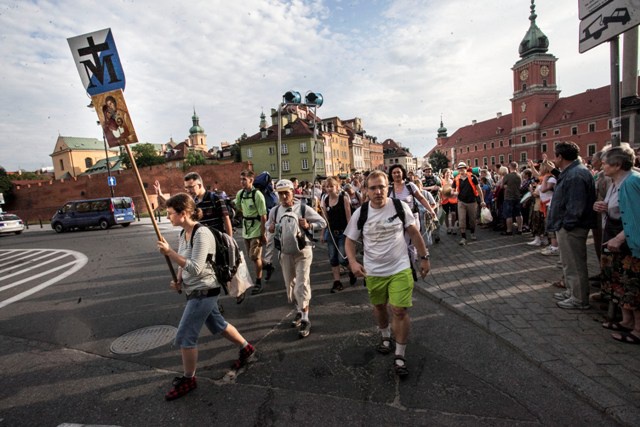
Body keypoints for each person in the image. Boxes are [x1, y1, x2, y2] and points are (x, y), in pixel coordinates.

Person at [157, 193, 255, 401]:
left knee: (185, 336)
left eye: (170, 213)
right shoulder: (184, 233)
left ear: (183, 213)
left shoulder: (201, 234)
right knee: (218, 325)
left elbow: (196, 267)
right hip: (194, 289)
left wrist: (170, 252)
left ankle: (189, 379)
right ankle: (246, 348)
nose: (168, 217)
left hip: (205, 291)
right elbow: (185, 265)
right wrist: (179, 280)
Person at [344, 170, 430, 378]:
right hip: (373, 271)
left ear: (387, 188)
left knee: (399, 310)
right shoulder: (360, 213)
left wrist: (424, 257)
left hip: (400, 268)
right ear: (366, 190)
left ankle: (400, 355)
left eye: (381, 187)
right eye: (373, 188)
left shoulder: (399, 207)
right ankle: (385, 335)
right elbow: (349, 241)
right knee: (379, 307)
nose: (378, 192)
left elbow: (414, 232)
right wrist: (353, 262)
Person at [267, 179, 326, 338]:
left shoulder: (302, 208)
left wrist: (308, 226)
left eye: (286, 193)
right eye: (280, 194)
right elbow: (268, 226)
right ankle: (300, 310)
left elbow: (322, 223)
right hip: (285, 252)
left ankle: (306, 318)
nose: (284, 196)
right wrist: (270, 228)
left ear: (293, 192)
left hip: (303, 250)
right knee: (290, 285)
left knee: (302, 282)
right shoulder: (275, 211)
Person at [595, 146, 640, 343]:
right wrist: (601, 207)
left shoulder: (631, 182)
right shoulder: (615, 181)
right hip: (614, 232)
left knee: (632, 284)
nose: (601, 165)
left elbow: (636, 217)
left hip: (628, 239)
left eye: (605, 162)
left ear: (618, 164)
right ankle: (626, 321)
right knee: (619, 280)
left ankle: (638, 329)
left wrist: (620, 238)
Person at [547, 141, 597, 310]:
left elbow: (576, 206)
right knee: (569, 262)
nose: (555, 159)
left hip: (572, 227)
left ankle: (579, 298)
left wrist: (566, 225)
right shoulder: (574, 171)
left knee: (574, 263)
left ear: (560, 157)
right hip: (569, 225)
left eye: (556, 156)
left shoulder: (576, 174)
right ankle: (572, 292)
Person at [320, 176, 357, 292]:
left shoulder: (343, 199)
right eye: (327, 187)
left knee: (342, 259)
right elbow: (324, 219)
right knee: (333, 258)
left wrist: (350, 234)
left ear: (337, 187)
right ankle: (337, 282)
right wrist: (322, 234)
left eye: (331, 186)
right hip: (331, 233)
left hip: (343, 233)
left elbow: (348, 217)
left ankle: (353, 270)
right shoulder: (325, 201)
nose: (329, 189)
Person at [235, 170, 268, 294]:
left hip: (256, 229)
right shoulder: (240, 194)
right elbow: (238, 207)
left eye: (244, 179)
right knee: (251, 256)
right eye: (241, 179)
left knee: (254, 256)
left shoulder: (257, 195)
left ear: (251, 180)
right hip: (246, 229)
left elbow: (263, 216)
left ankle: (258, 282)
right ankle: (268, 266)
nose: (242, 182)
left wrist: (263, 233)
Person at [451, 162, 485, 245]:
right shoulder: (456, 179)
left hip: (472, 202)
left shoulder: (473, 177)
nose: (461, 170)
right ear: (458, 170)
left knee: (472, 220)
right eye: (459, 168)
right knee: (462, 219)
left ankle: (472, 233)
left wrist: (482, 200)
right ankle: (463, 238)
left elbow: (479, 190)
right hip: (461, 202)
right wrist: (453, 193)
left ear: (466, 168)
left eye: (463, 168)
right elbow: (452, 189)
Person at [500, 162, 523, 235]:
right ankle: (520, 229)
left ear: (510, 167)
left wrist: (505, 186)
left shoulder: (507, 176)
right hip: (517, 196)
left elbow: (501, 186)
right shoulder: (519, 176)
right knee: (518, 214)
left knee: (508, 215)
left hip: (508, 197)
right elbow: (520, 186)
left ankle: (509, 230)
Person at [440, 168, 458, 235]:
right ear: (444, 174)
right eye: (447, 172)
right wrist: (440, 199)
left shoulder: (453, 181)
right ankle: (448, 228)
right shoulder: (442, 181)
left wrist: (454, 193)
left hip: (452, 199)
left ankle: (453, 227)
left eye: (449, 172)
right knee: (446, 214)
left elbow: (455, 189)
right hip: (445, 200)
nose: (448, 174)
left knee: (453, 214)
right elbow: (440, 191)